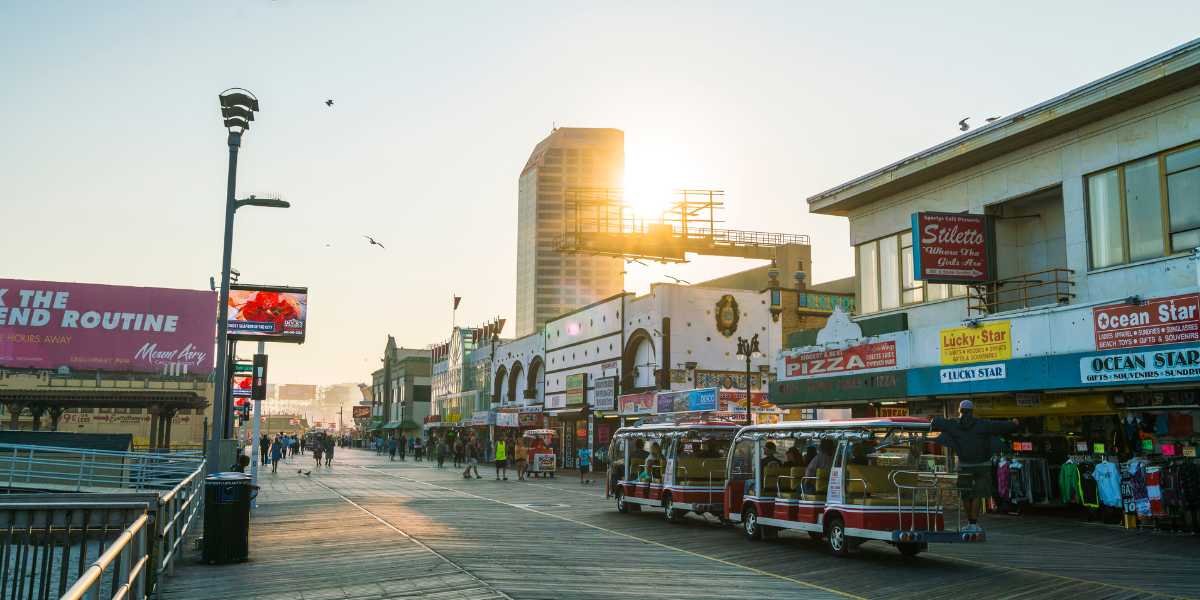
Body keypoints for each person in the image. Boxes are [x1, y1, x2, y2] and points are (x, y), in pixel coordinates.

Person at [931, 399, 1019, 534]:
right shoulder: (982, 424)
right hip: (982, 465)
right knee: (977, 494)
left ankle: (969, 522)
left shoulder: (952, 425)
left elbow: (936, 422)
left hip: (964, 465)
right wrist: (1013, 424)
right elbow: (1000, 426)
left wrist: (935, 420)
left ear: (959, 411)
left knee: (966, 494)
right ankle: (974, 523)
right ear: (972, 411)